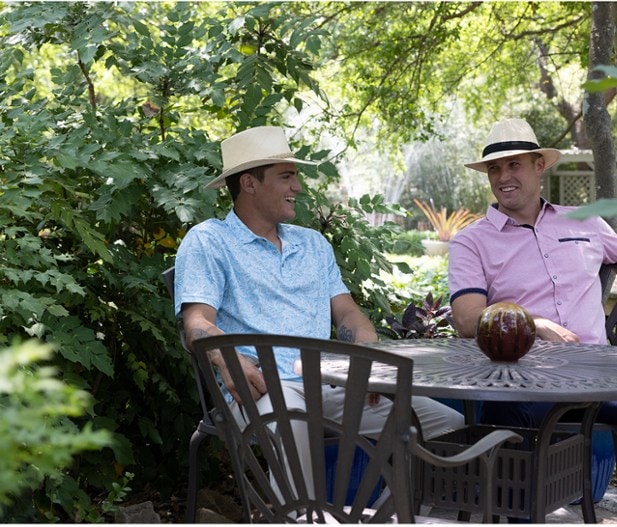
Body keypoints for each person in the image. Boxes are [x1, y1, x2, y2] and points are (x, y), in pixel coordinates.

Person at [174, 126, 464, 497]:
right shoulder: (210, 240)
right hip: (263, 388)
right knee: (294, 424)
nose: (297, 187)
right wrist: (225, 358)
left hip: (329, 384)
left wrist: (367, 355)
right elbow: (196, 323)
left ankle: (381, 514)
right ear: (248, 183)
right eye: (286, 176)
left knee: (444, 424)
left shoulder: (312, 244)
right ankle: (301, 518)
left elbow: (348, 314)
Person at [448, 118, 617, 523]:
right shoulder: (472, 240)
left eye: (514, 164)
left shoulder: (585, 221)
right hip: (525, 384)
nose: (503, 177)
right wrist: (532, 324)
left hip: (599, 378)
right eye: (494, 169)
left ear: (539, 165)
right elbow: (467, 319)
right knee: (504, 419)